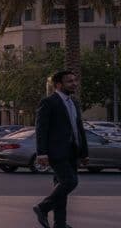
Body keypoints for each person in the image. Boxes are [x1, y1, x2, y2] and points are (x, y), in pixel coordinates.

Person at [32, 69, 88, 228]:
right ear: (58, 84)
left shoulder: (74, 103)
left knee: (61, 187)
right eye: (70, 81)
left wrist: (84, 153)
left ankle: (60, 224)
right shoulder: (49, 102)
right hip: (56, 151)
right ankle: (42, 207)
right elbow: (41, 129)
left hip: (72, 151)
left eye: (75, 81)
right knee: (70, 182)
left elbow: (79, 129)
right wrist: (41, 153)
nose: (74, 84)